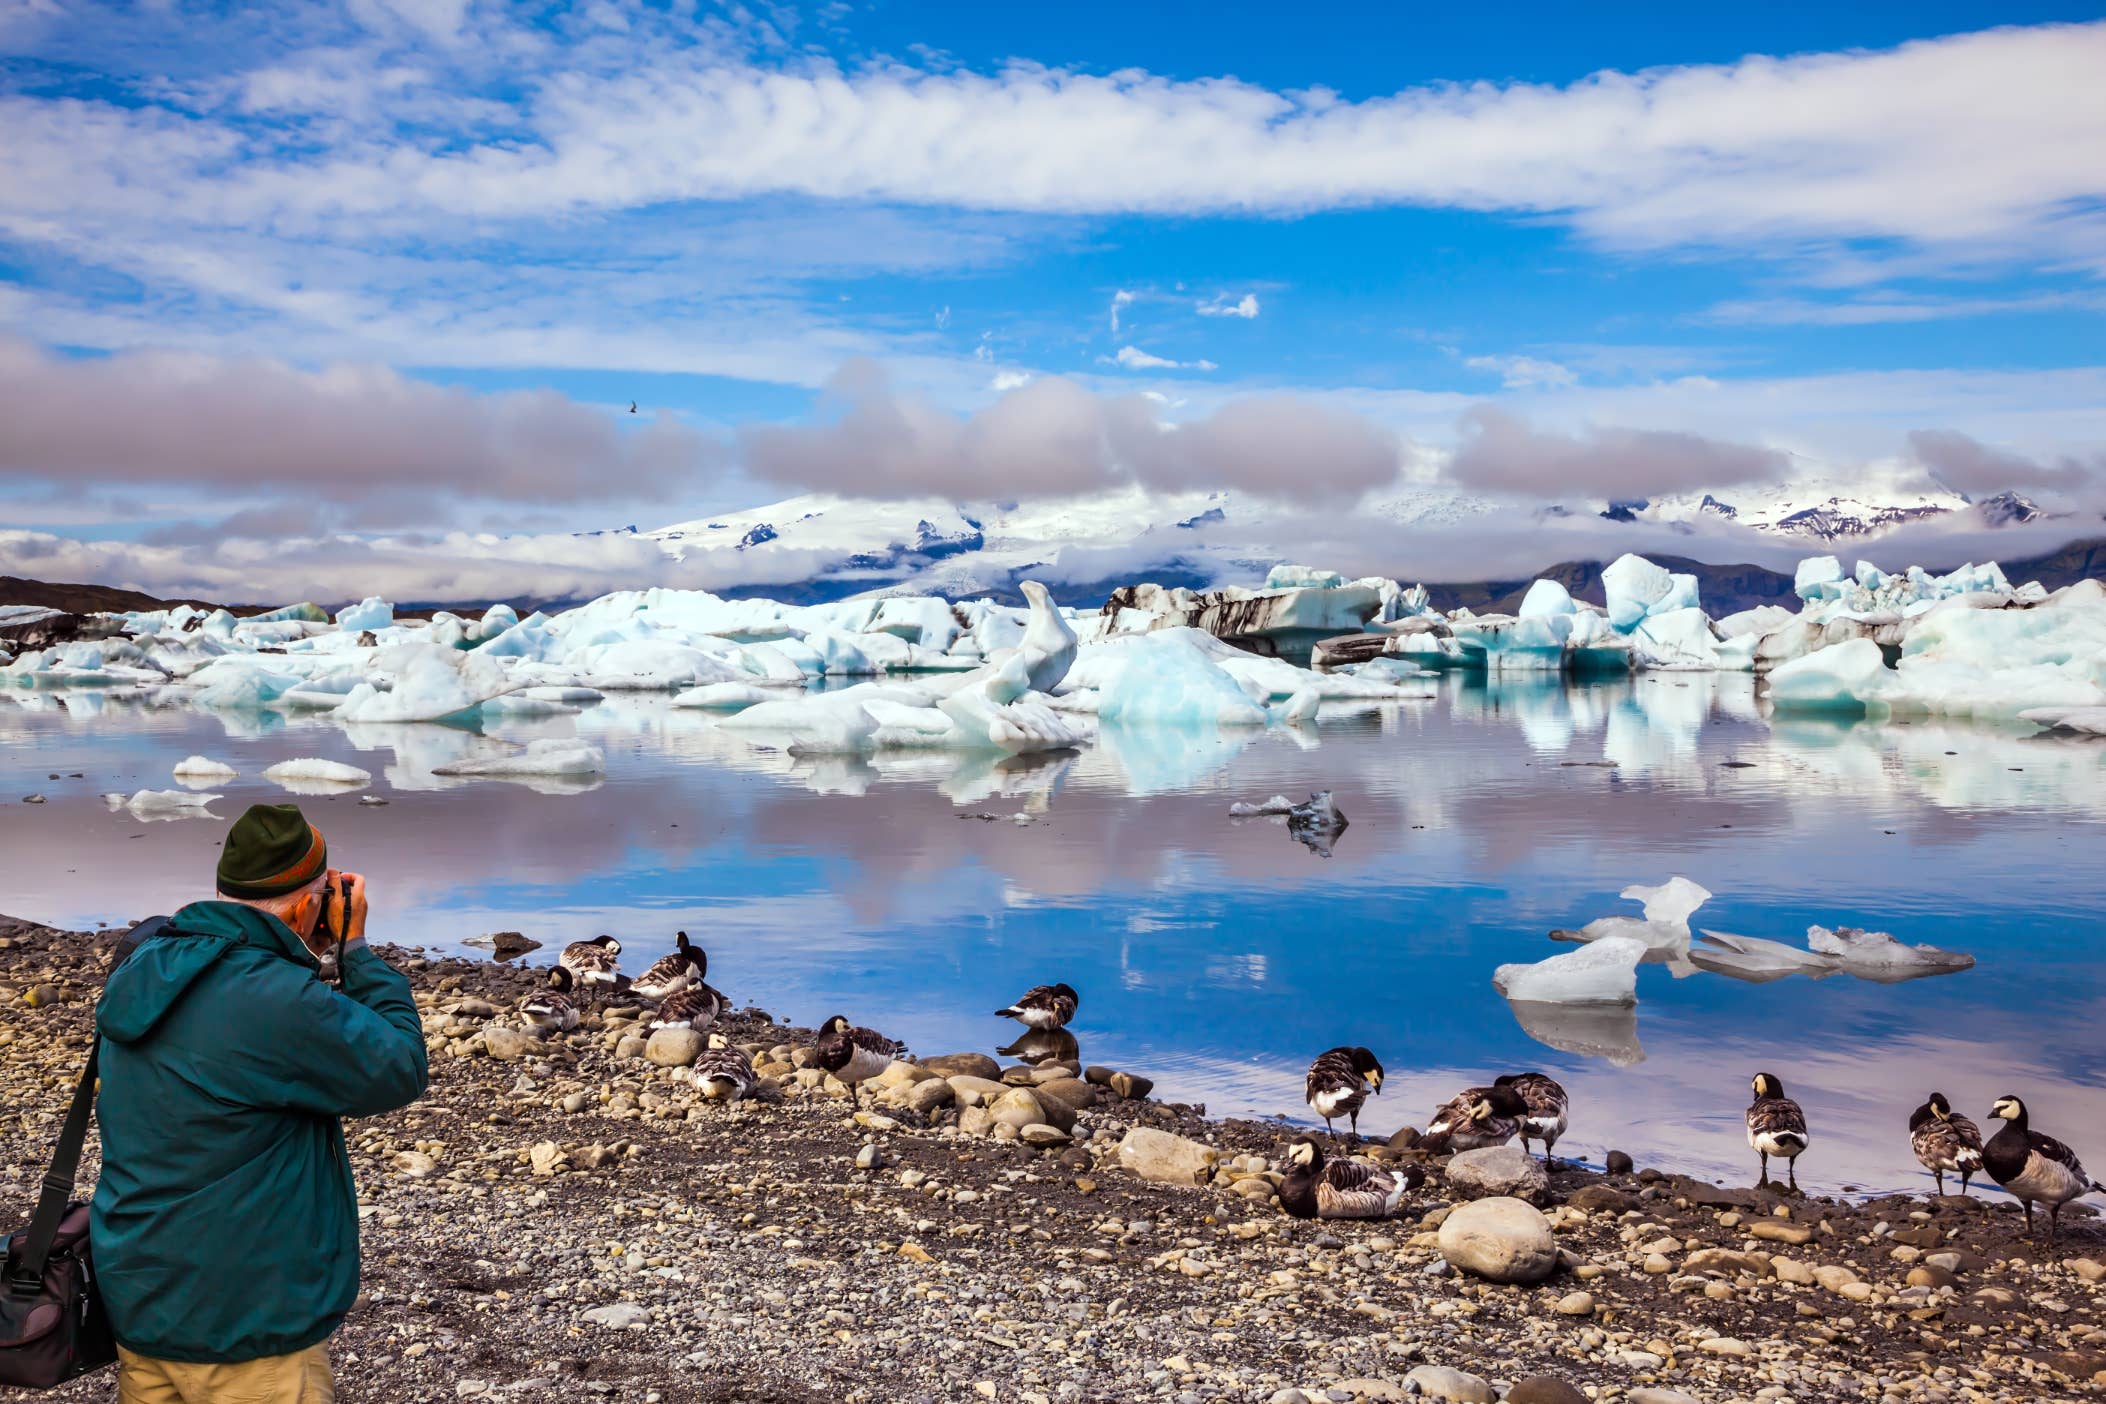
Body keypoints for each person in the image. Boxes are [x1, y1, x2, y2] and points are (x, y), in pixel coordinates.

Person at [90, 803, 428, 1402]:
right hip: (245, 1324)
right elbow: (399, 1066)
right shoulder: (273, 999)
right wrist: (356, 953)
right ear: (306, 905)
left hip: (143, 1297)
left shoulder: (147, 964)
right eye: (324, 893)